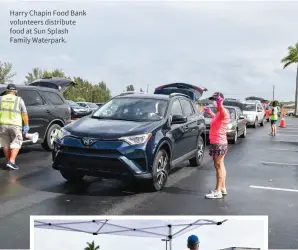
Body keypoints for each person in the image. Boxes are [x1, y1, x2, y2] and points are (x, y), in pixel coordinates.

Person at [203, 92, 230, 199]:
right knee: (221, 165)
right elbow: (218, 120)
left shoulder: (223, 111)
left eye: (216, 99)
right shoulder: (219, 113)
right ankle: (223, 188)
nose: (214, 102)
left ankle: (217, 191)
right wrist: (210, 113)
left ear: (221, 100)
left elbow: (223, 112)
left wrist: (220, 104)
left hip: (219, 143)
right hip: (217, 142)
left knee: (218, 166)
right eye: (214, 100)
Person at [0, 84, 29, 170]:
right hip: (15, 124)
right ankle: (12, 161)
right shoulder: (19, 99)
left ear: (7, 91)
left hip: (2, 124)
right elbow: (24, 113)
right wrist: (26, 125)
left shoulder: (1, 99)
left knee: (5, 144)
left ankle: (9, 161)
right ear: (15, 92)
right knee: (17, 142)